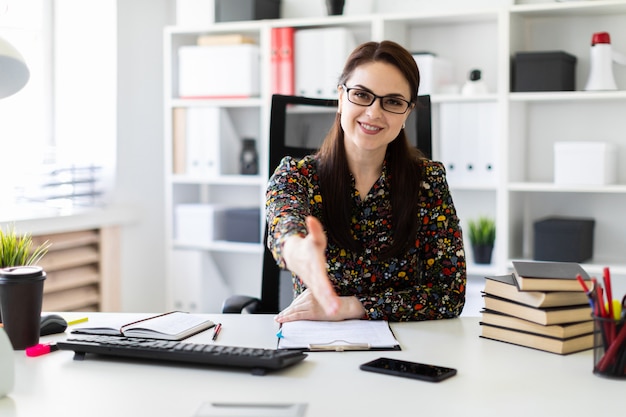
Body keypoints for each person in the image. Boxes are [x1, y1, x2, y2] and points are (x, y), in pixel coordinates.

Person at [266, 40, 466, 323]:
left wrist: (352, 306)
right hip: (319, 346)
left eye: (393, 102)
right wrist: (296, 249)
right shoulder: (296, 176)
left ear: (407, 112)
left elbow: (449, 294)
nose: (373, 112)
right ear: (340, 97)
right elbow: (284, 224)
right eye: (361, 95)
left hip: (408, 348)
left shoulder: (429, 181)